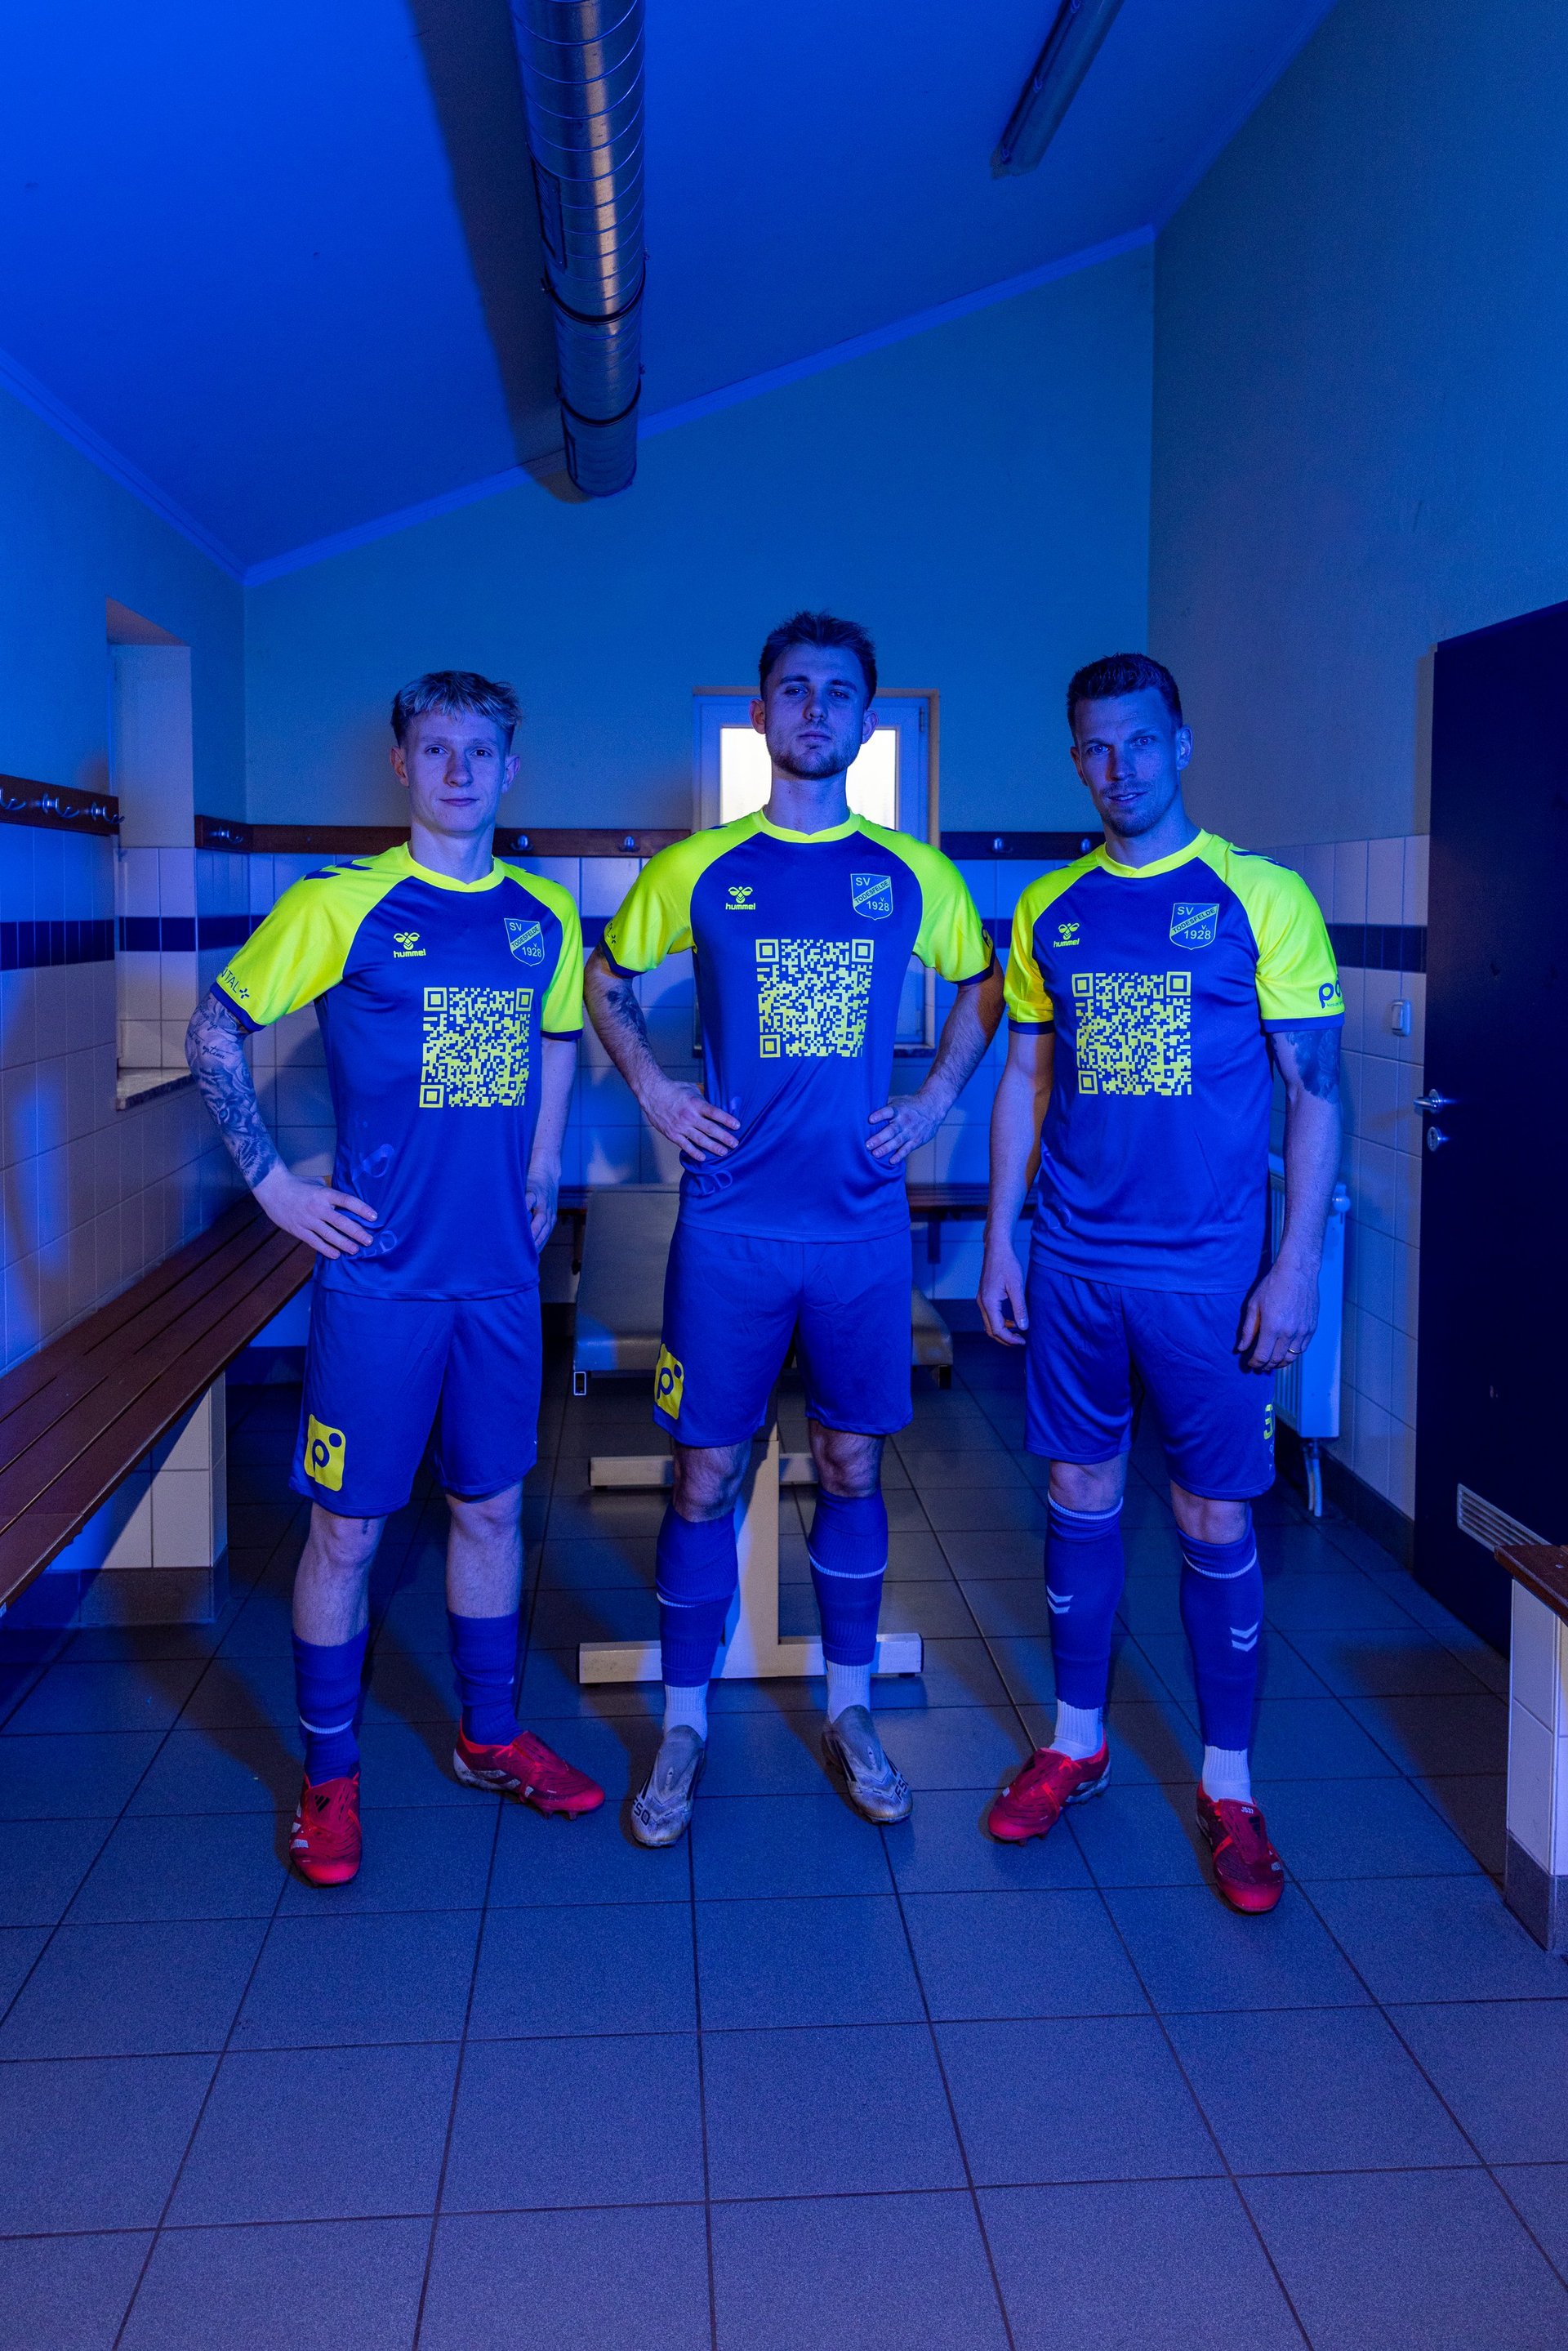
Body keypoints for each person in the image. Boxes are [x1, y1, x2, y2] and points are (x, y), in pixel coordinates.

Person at [586, 611, 1003, 1845]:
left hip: (859, 1233)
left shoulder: (910, 873)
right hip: (730, 1229)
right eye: (791, 690)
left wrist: (932, 1099)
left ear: (866, 722)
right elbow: (604, 979)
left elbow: (986, 980)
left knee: (853, 1463)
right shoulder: (699, 870)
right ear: (760, 715)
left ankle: (850, 1703)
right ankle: (683, 1722)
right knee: (705, 1470)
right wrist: (657, 1091)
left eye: (836, 692)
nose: (813, 709)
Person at [187, 670, 604, 1887]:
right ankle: (327, 1778)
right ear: (403, 767)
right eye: (437, 749)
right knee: (348, 1530)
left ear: (511, 767)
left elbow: (562, 1035)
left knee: (487, 1509)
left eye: (482, 750)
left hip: (496, 1286)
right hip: (376, 1283)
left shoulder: (544, 917)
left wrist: (539, 1167)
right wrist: (271, 1184)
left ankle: (486, 1735)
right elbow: (216, 1027)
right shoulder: (345, 904)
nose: (461, 770)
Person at [978, 653, 1342, 1913]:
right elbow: (1026, 1081)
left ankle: (1229, 1786)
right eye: (1094, 746)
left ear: (1182, 742)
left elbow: (1316, 1093)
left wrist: (1296, 1262)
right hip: (1076, 1263)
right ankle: (1075, 1742)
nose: (1119, 767)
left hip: (1207, 1277)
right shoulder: (1050, 910)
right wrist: (999, 1238)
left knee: (1211, 1519)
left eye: (1140, 741)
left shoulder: (1261, 896)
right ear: (1074, 758)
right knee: (1078, 1493)